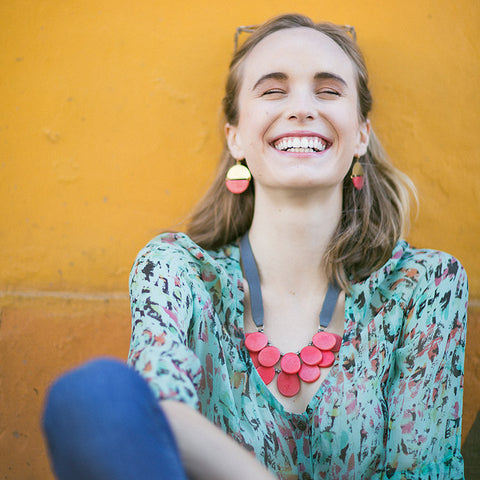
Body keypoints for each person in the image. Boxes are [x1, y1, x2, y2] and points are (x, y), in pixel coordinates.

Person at [42, 13, 468, 480]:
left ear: (361, 134)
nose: (302, 108)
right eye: (272, 90)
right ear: (236, 136)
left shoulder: (426, 284)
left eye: (328, 90)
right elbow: (154, 406)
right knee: (93, 394)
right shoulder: (179, 270)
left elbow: (423, 470)